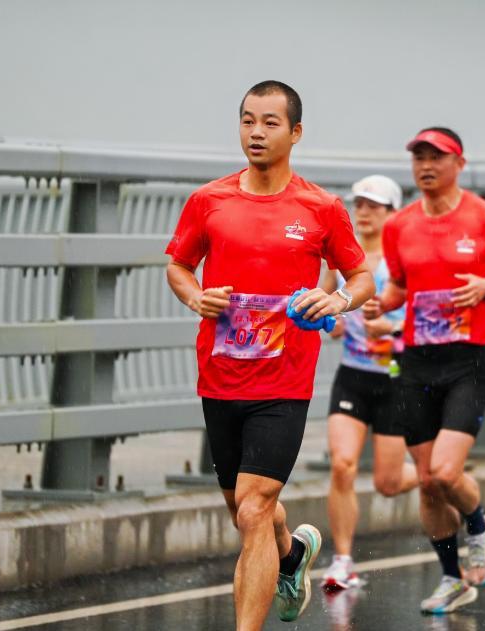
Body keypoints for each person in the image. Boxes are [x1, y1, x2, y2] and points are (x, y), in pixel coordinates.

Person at [164, 80, 374, 631]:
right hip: (220, 376)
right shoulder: (208, 201)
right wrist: (195, 296)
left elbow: (362, 277)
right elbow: (179, 265)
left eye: (270, 122)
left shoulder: (320, 208)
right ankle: (292, 554)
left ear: (295, 132)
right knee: (244, 510)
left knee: (255, 506)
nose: (256, 132)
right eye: (247, 121)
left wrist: (338, 299)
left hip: (284, 381)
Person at [364, 127, 485, 614]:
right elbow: (401, 287)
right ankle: (452, 579)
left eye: (436, 157)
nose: (425, 165)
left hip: (469, 360)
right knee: (426, 481)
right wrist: (378, 304)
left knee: (444, 471)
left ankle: (478, 524)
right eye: (418, 157)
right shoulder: (399, 226)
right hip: (417, 359)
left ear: (459, 163)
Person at [320, 174, 419, 590]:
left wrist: (392, 329)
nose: (363, 213)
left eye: (374, 206)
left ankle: (433, 473)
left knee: (388, 483)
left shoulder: (407, 260)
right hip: (353, 376)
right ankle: (343, 561)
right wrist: (331, 322)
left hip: (395, 375)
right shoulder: (343, 259)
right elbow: (324, 304)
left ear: (393, 213)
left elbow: (429, 319)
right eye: (358, 204)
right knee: (342, 465)